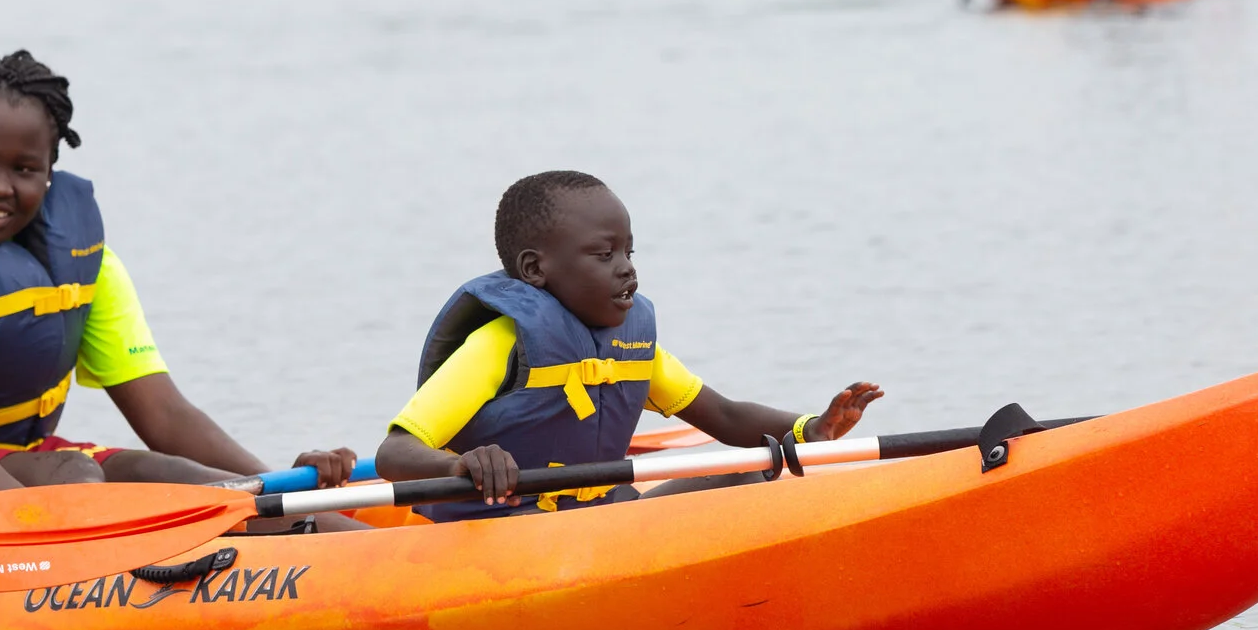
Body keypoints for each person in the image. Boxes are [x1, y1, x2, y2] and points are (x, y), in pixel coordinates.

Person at [0, 51, 363, 528]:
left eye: (24, 169)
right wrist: (36, 529)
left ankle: (357, 550)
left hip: (25, 464)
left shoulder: (87, 263)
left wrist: (268, 487)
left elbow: (162, 411)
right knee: (76, 479)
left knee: (167, 472)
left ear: (51, 169)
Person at [373, 171, 884, 522]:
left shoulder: (630, 344)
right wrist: (459, 465)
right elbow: (395, 452)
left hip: (603, 520)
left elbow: (725, 417)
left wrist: (809, 429)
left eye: (628, 251)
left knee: (753, 472)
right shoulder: (498, 345)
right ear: (535, 270)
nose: (627, 268)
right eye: (603, 254)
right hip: (505, 531)